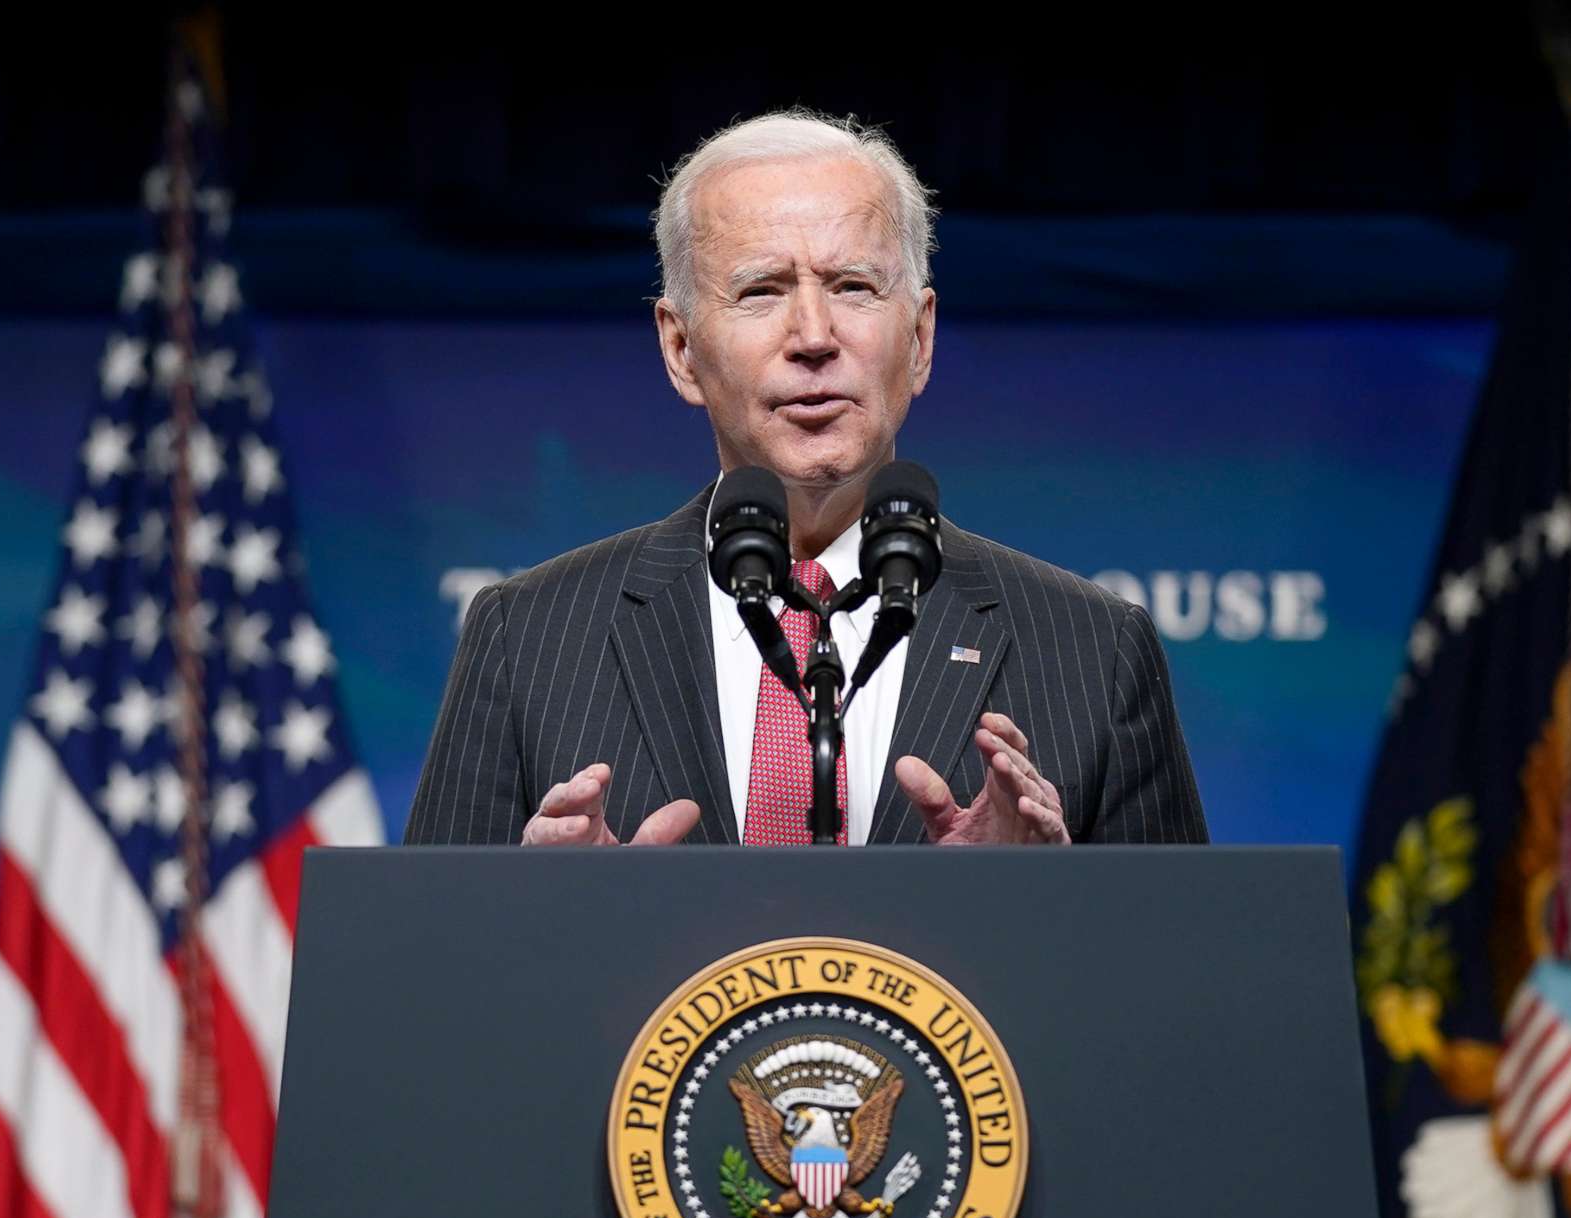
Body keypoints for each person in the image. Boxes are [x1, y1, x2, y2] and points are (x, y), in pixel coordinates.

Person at [405, 109, 1206, 849]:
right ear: (681, 350)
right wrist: (544, 924)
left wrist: (1036, 909)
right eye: (761, 291)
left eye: (854, 287)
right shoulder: (530, 636)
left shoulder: (1095, 650)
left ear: (920, 337)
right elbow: (424, 971)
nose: (814, 337)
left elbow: (1186, 982)